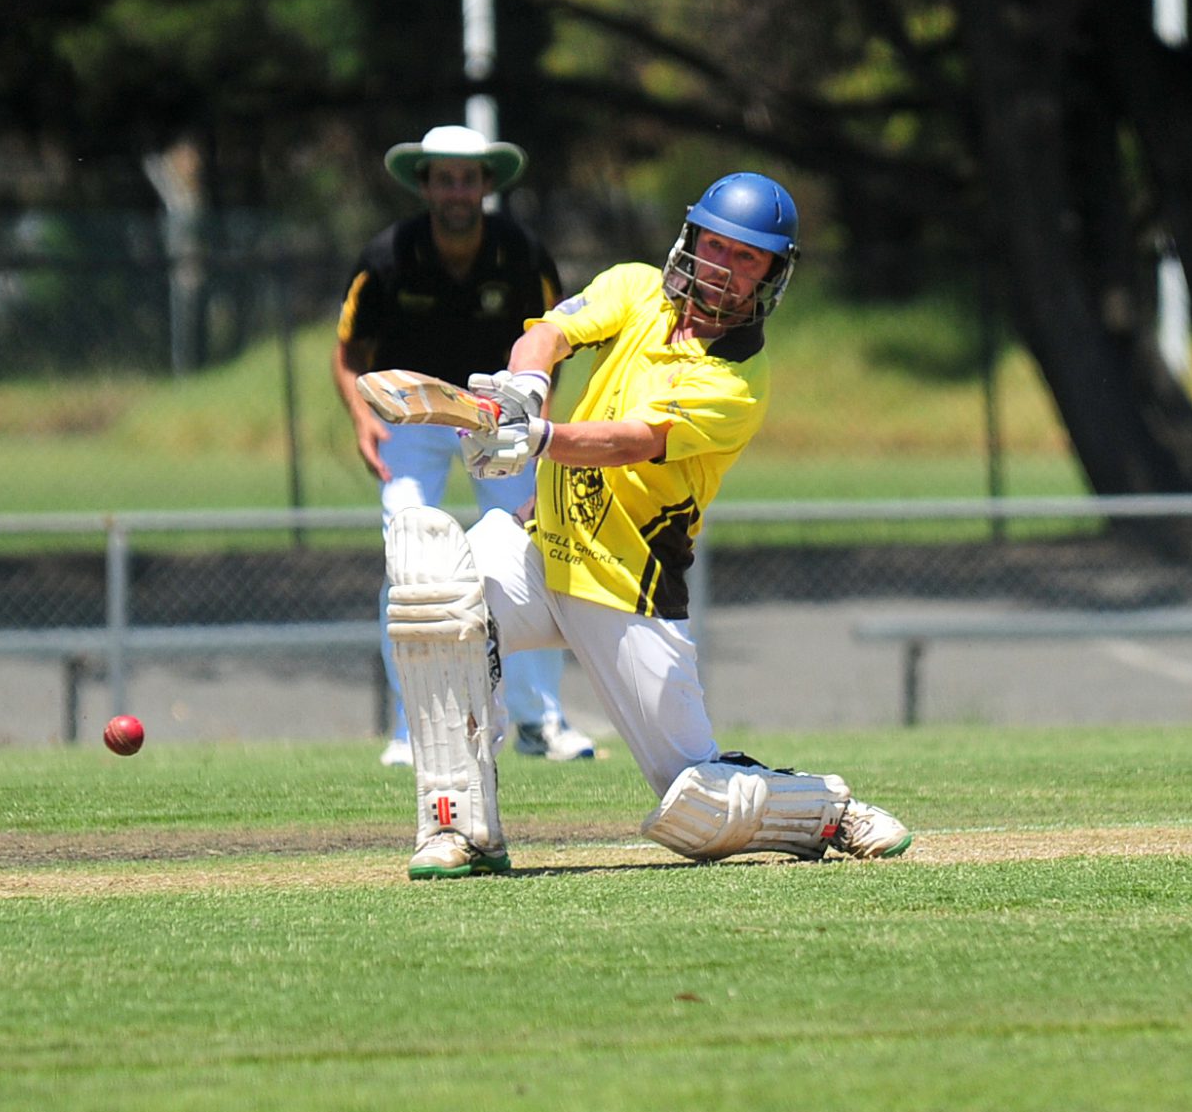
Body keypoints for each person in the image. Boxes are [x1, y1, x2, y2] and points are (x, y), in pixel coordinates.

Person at [381, 171, 913, 879]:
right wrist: (523, 390)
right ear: (690, 238)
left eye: (746, 257)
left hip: (626, 587)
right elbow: (549, 333)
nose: (722, 266)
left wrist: (537, 438)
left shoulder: (736, 382)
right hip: (540, 549)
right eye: (714, 245)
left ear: (771, 276)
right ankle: (460, 829)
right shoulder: (636, 288)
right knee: (439, 600)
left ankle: (826, 810)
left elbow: (631, 440)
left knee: (699, 803)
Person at [335, 123, 598, 768]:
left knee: (529, 550)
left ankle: (539, 720)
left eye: (468, 178)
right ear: (425, 186)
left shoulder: (523, 254)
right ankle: (414, 728)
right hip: (411, 417)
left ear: (486, 185)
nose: (457, 191)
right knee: (408, 557)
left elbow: (553, 341)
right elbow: (349, 353)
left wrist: (537, 415)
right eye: (445, 179)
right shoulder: (387, 256)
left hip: (496, 412)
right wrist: (362, 419)